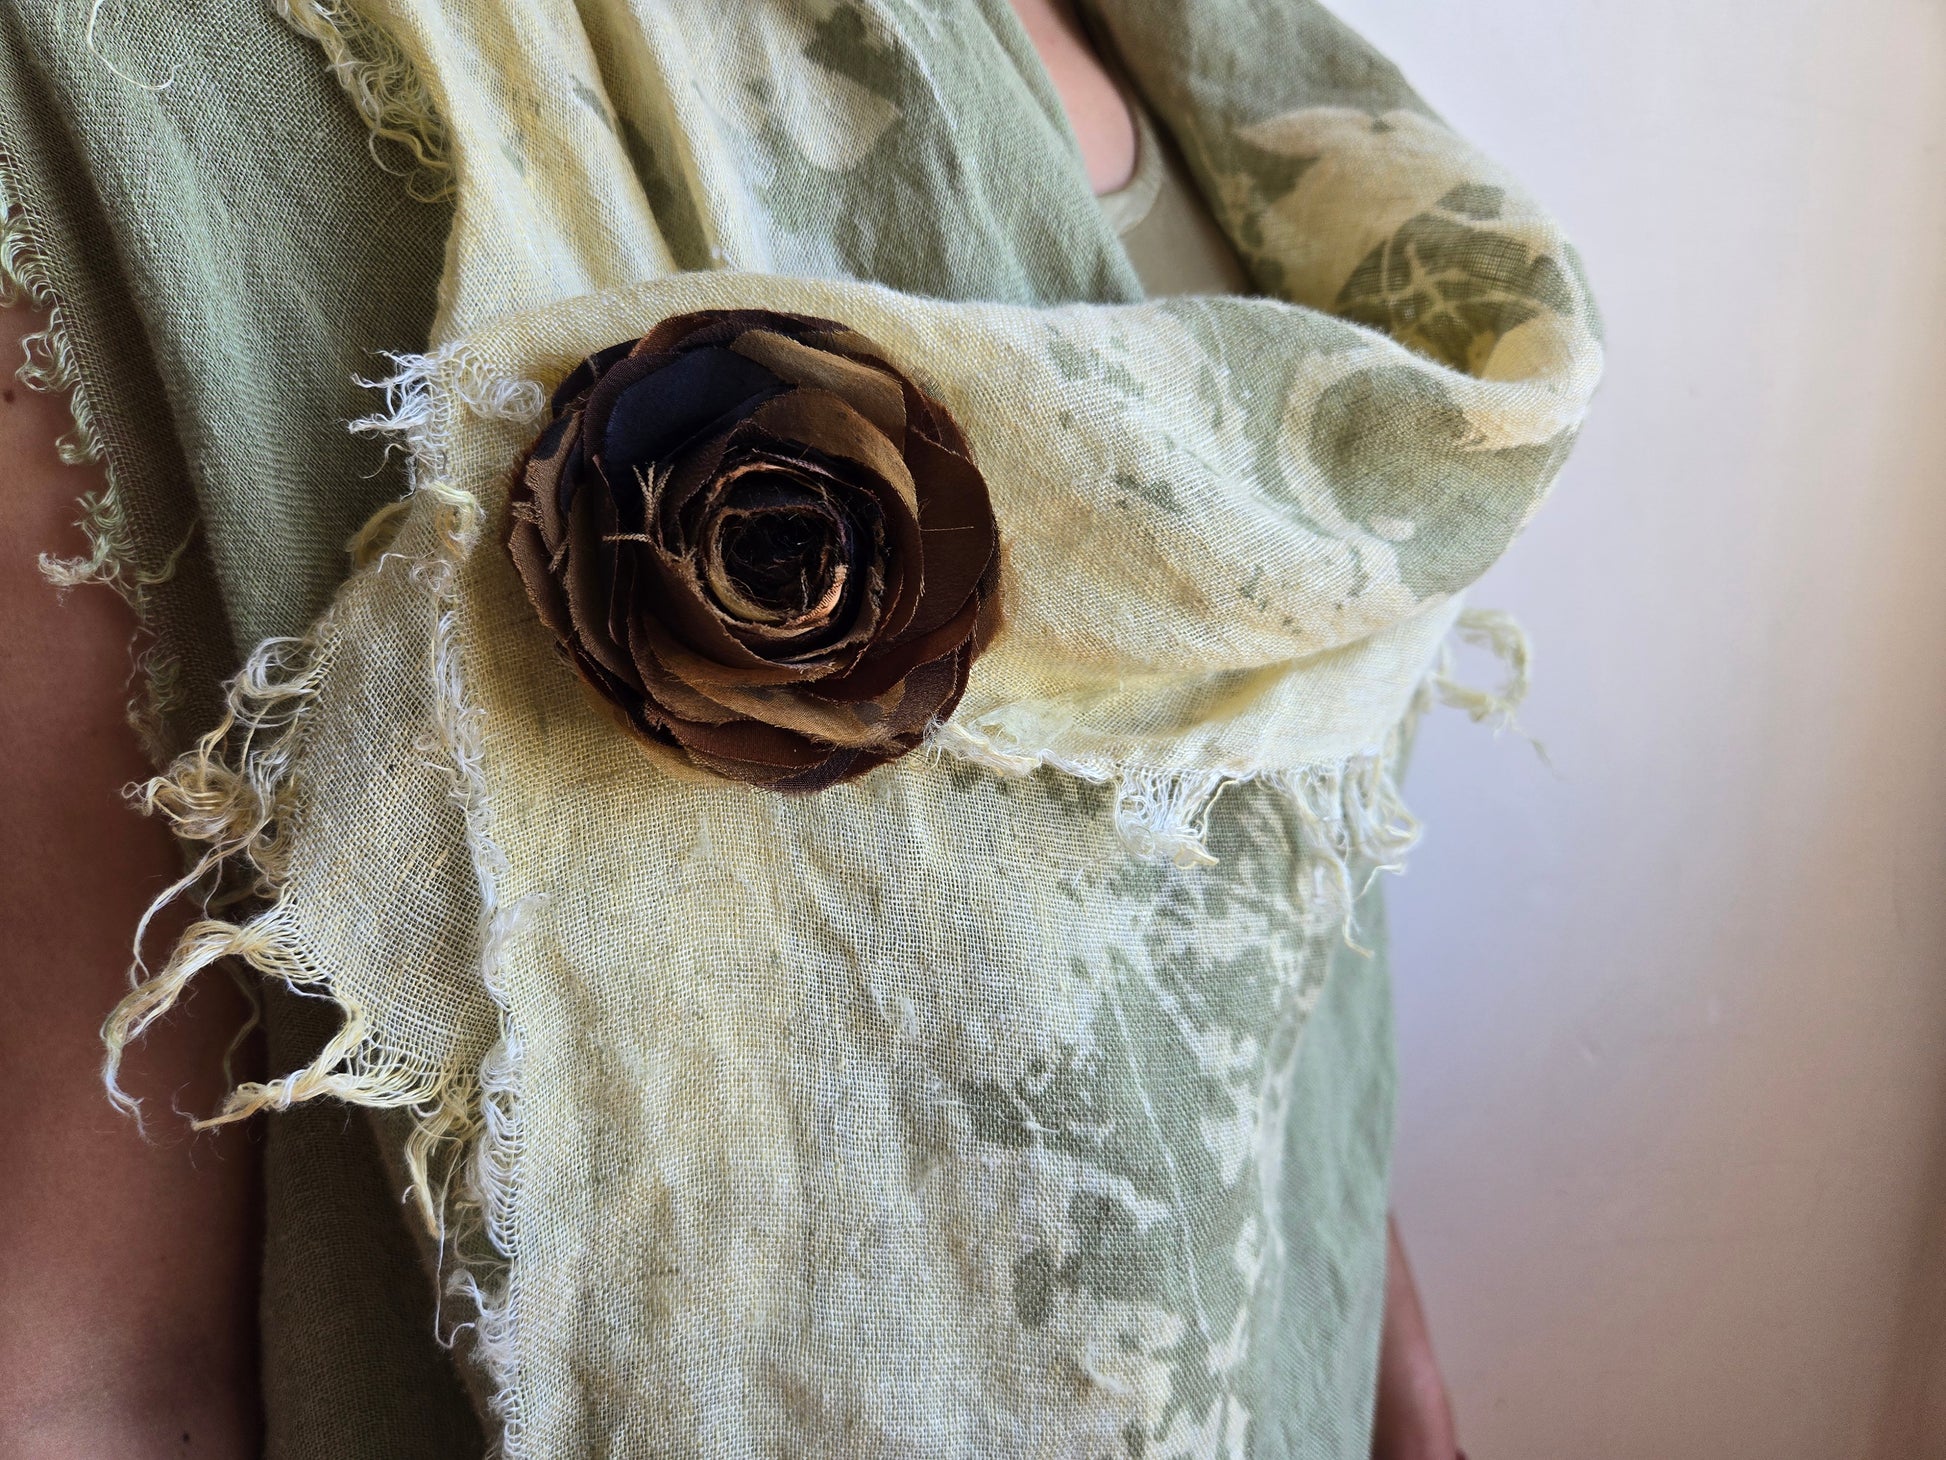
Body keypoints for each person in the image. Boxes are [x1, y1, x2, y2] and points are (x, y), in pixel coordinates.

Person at [3, 0, 1598, 1453]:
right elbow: (100, 1369)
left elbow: (1237, 868)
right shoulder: (167, 76)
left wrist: (1370, 1339)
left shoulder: (1225, 68)